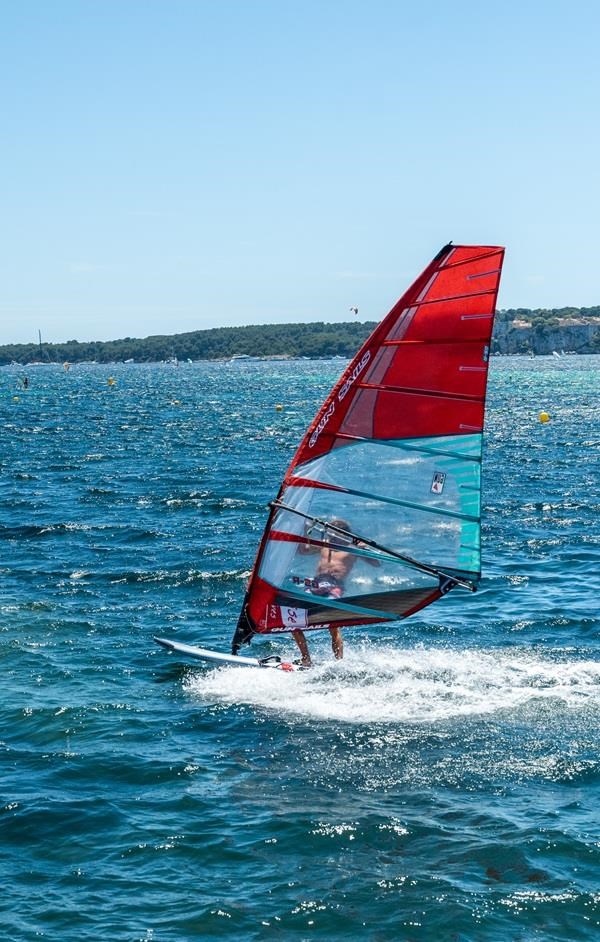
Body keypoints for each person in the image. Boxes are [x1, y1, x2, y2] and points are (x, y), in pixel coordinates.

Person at [292, 517, 380, 667]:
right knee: (293, 618)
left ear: (343, 534)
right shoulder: (324, 545)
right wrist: (305, 530)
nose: (331, 536)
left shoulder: (352, 549)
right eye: (330, 533)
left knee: (332, 624)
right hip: (315, 583)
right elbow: (303, 550)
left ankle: (339, 663)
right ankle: (306, 659)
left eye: (334, 533)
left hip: (334, 586)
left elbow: (376, 563)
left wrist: (363, 548)